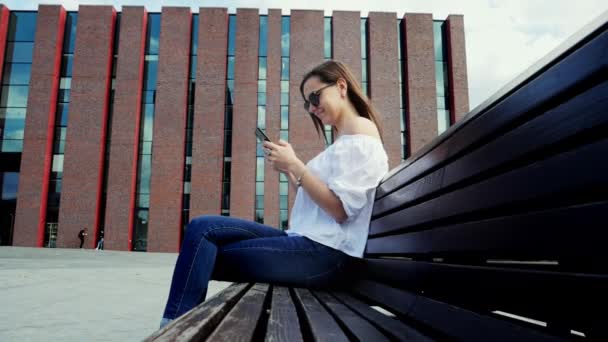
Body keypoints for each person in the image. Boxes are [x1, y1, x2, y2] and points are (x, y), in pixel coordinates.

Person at [159, 60, 389, 329]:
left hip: (328, 254)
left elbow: (340, 210)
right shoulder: (344, 137)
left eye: (315, 97)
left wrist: (296, 165)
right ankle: (174, 326)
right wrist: (290, 172)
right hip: (309, 241)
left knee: (202, 254)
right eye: (308, 104)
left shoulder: (360, 130)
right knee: (202, 228)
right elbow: (321, 204)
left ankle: (174, 330)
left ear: (341, 86)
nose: (313, 108)